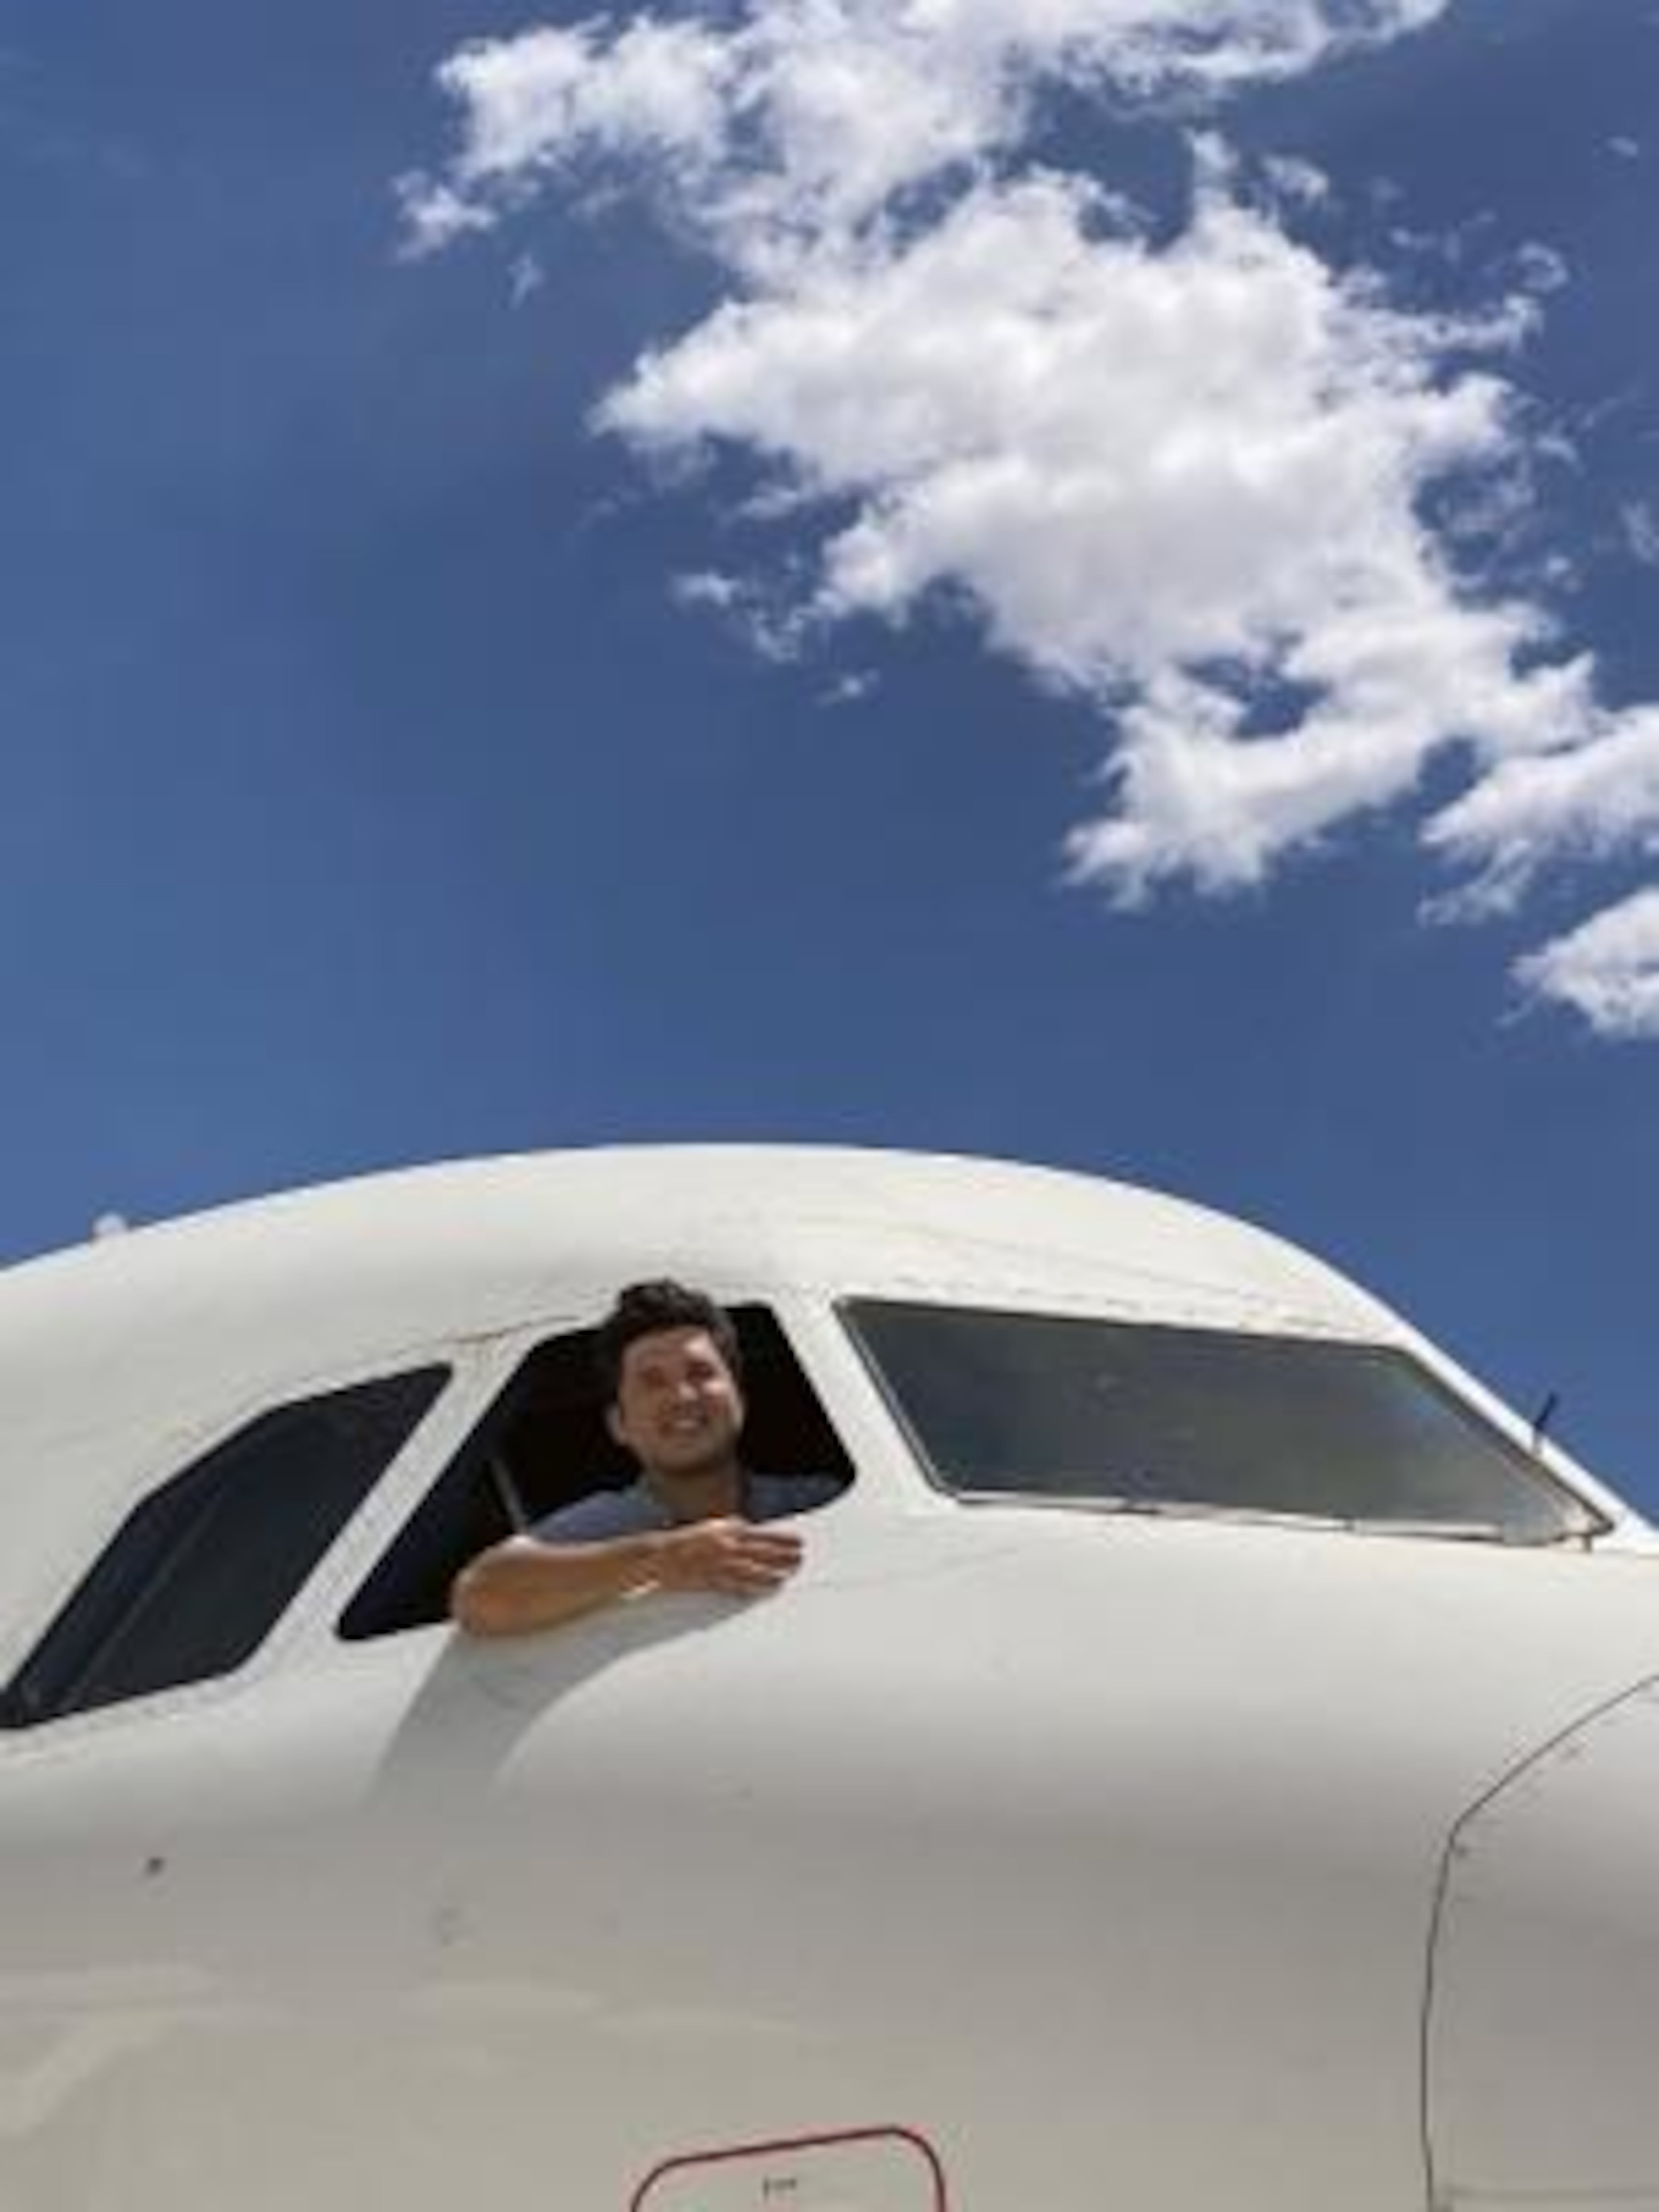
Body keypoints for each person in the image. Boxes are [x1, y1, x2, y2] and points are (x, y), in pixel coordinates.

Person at [449, 1279, 841, 1637]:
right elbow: (480, 1596)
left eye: (701, 1372)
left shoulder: (822, 1502)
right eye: (652, 1382)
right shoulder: (607, 1524)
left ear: (739, 1395)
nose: (684, 1397)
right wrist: (664, 1559)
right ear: (619, 1425)